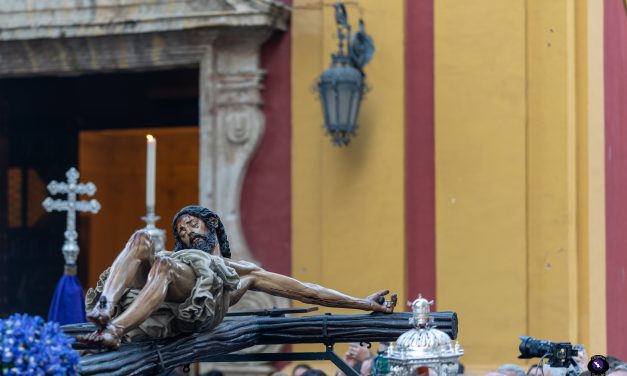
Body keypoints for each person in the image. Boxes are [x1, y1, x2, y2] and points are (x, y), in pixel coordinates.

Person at [79, 205, 397, 349]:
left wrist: (361, 302)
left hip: (200, 307)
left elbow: (306, 291)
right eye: (181, 231)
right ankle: (106, 308)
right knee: (141, 240)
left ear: (213, 223)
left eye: (191, 224)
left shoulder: (240, 271)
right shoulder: (179, 259)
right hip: (169, 298)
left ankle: (116, 330)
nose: (187, 232)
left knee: (161, 265)